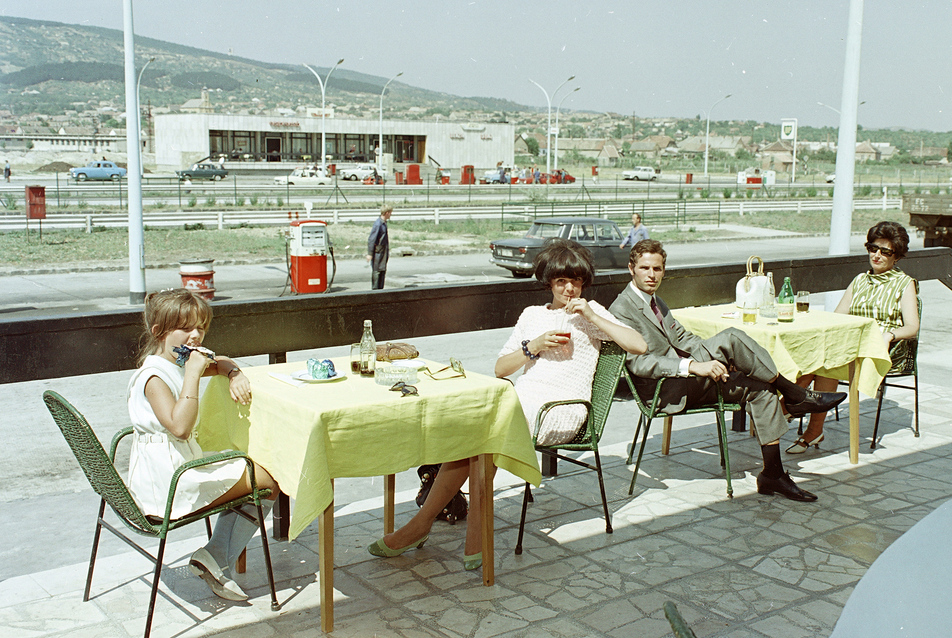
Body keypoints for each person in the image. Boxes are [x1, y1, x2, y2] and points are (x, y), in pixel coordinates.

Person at [367, 239, 647, 570]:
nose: (569, 288)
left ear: (584, 282)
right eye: (561, 281)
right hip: (524, 400)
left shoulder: (591, 312)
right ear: (549, 282)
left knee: (485, 429)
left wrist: (591, 314)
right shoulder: (531, 315)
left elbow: (639, 345)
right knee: (477, 426)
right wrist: (535, 346)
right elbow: (501, 368)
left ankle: (440, 528)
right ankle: (441, 529)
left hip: (562, 410)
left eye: (575, 280)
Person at [609, 239, 847, 502]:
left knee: (761, 389)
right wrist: (694, 365)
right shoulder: (621, 309)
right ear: (631, 269)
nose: (652, 275)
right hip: (663, 390)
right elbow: (638, 364)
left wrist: (718, 358)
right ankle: (794, 393)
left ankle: (773, 474)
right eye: (645, 268)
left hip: (688, 382)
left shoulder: (656, 301)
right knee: (732, 337)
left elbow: (684, 339)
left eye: (657, 269)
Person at [127, 289, 278, 601]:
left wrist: (232, 372)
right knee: (271, 479)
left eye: (201, 327)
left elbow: (219, 362)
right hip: (167, 485)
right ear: (159, 332)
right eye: (186, 328)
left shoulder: (175, 359)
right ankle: (216, 557)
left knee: (255, 470)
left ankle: (214, 556)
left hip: (173, 469)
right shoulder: (154, 376)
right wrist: (194, 374)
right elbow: (180, 428)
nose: (196, 335)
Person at [786, 221, 920, 454]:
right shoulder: (860, 280)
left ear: (896, 256)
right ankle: (795, 413)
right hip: (851, 342)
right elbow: (838, 317)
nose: (877, 255)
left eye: (885, 251)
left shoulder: (904, 284)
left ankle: (788, 410)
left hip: (882, 346)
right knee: (813, 352)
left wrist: (889, 335)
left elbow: (912, 327)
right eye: (872, 248)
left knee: (828, 360)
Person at [366, 204, 392, 289]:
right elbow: (371, 239)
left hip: (382, 254)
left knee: (382, 272)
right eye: (390, 212)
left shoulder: (383, 223)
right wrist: (370, 253)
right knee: (377, 272)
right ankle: (375, 292)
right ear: (387, 213)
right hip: (378, 254)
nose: (391, 214)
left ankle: (381, 292)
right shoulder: (378, 224)